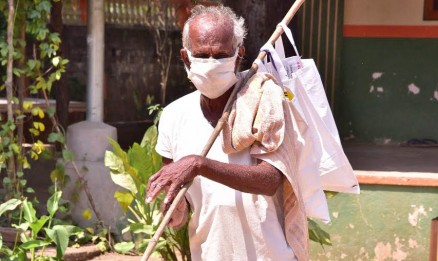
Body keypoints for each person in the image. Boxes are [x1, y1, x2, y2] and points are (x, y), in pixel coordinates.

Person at [146, 5, 308, 261]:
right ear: (186, 57)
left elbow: (269, 181)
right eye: (201, 55)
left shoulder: (263, 100)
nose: (211, 64)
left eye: (221, 55)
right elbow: (182, 202)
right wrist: (175, 208)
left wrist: (199, 164)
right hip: (209, 253)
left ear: (239, 55)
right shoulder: (173, 116)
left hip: (270, 255)